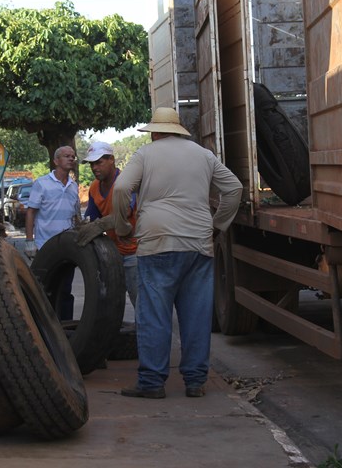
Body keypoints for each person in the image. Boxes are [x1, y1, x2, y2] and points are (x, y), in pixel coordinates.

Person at [112, 107, 242, 399]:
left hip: (157, 242)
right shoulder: (203, 155)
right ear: (178, 130)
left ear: (155, 132)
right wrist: (218, 225)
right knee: (196, 315)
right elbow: (234, 188)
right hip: (198, 242)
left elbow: (121, 189)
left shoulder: (146, 155)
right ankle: (195, 382)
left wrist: (122, 227)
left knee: (155, 315)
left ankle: (152, 383)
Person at [76, 141, 138, 309]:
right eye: (91, 164)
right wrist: (83, 225)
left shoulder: (126, 182)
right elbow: (91, 217)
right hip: (113, 253)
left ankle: (146, 334)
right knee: (112, 301)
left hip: (135, 251)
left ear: (111, 159)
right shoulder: (95, 187)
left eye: (98, 162)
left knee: (138, 298)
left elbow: (124, 212)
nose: (94, 167)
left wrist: (99, 225)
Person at [25, 145, 80, 319]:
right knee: (45, 290)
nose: (71, 158)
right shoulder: (42, 184)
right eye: (66, 156)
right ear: (56, 161)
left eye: (73, 156)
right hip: (45, 246)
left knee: (65, 291)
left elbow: (76, 217)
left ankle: (65, 329)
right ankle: (45, 329)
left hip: (67, 248)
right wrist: (29, 241)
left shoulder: (73, 186)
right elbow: (31, 212)